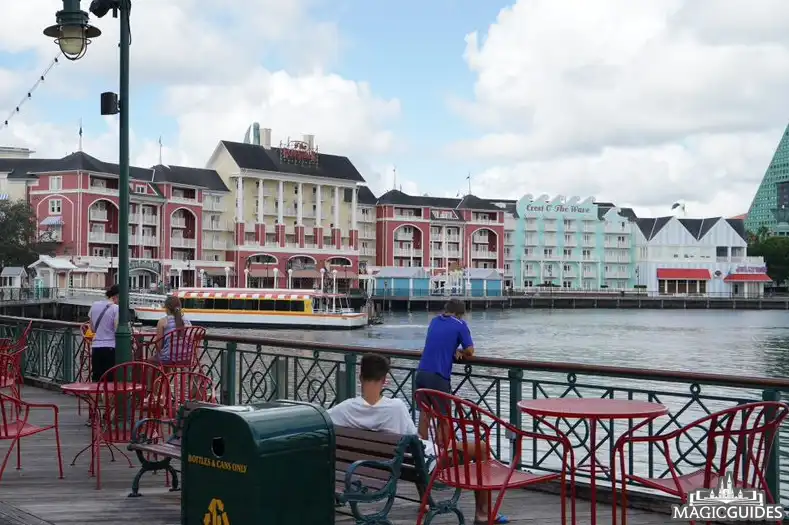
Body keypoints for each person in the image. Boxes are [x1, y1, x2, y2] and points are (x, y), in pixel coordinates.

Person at [329, 354, 505, 524]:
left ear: (360, 378)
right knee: (481, 447)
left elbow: (321, 421)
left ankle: (425, 501)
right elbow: (415, 440)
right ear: (385, 380)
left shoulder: (345, 409)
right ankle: (483, 514)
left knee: (416, 453)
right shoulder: (396, 407)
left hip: (389, 466)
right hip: (423, 463)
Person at [414, 299, 475, 439]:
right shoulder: (460, 325)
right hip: (438, 374)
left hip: (421, 371)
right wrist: (461, 351)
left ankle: (422, 451)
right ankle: (443, 455)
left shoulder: (434, 321)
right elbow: (470, 350)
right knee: (445, 418)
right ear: (460, 314)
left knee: (425, 414)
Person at [87, 284, 120, 381]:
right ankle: (107, 397)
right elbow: (117, 330)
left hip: (96, 346)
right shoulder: (116, 308)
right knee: (109, 381)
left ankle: (95, 396)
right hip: (110, 347)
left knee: (97, 380)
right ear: (116, 296)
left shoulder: (94, 305)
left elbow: (92, 329)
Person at [148, 295, 192, 364]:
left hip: (169, 359)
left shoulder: (163, 322)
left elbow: (159, 346)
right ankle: (168, 374)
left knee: (150, 362)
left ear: (167, 308)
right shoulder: (187, 321)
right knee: (164, 354)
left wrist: (156, 352)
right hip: (186, 358)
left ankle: (163, 374)